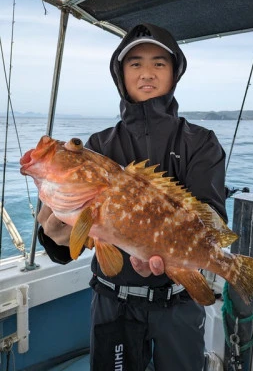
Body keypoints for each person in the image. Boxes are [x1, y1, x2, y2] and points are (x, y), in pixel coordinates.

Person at [38, 23, 228, 371]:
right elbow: (70, 241)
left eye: (159, 63)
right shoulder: (96, 147)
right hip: (113, 304)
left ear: (175, 72)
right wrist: (53, 236)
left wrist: (198, 253)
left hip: (180, 304)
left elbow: (211, 215)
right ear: (120, 74)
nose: (147, 73)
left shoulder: (200, 142)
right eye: (135, 63)